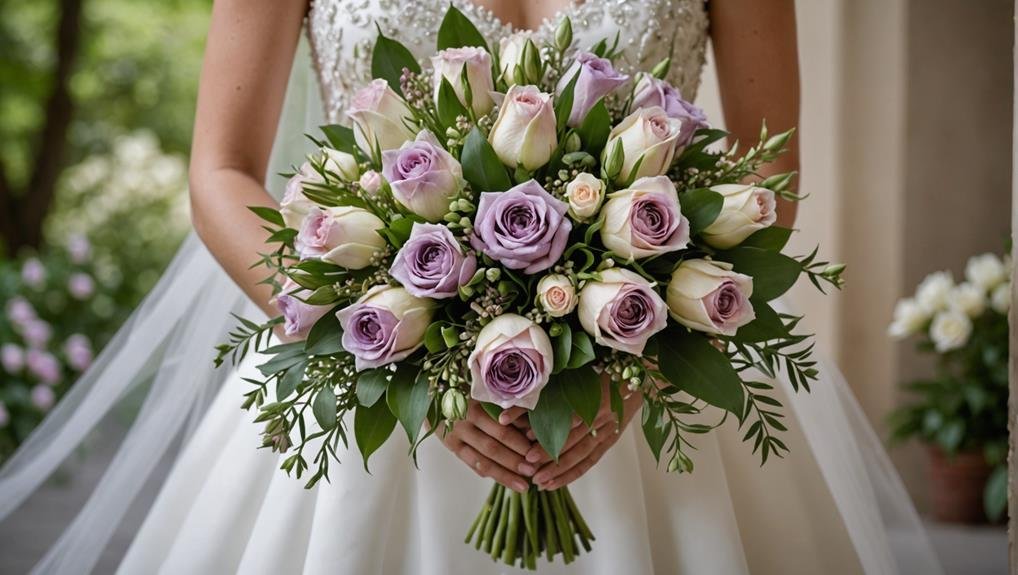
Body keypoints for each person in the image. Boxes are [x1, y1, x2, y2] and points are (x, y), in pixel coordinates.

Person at [0, 1, 943, 573]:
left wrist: (640, 361)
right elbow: (220, 169)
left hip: (653, 383)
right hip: (366, 377)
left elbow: (764, 182)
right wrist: (398, 343)